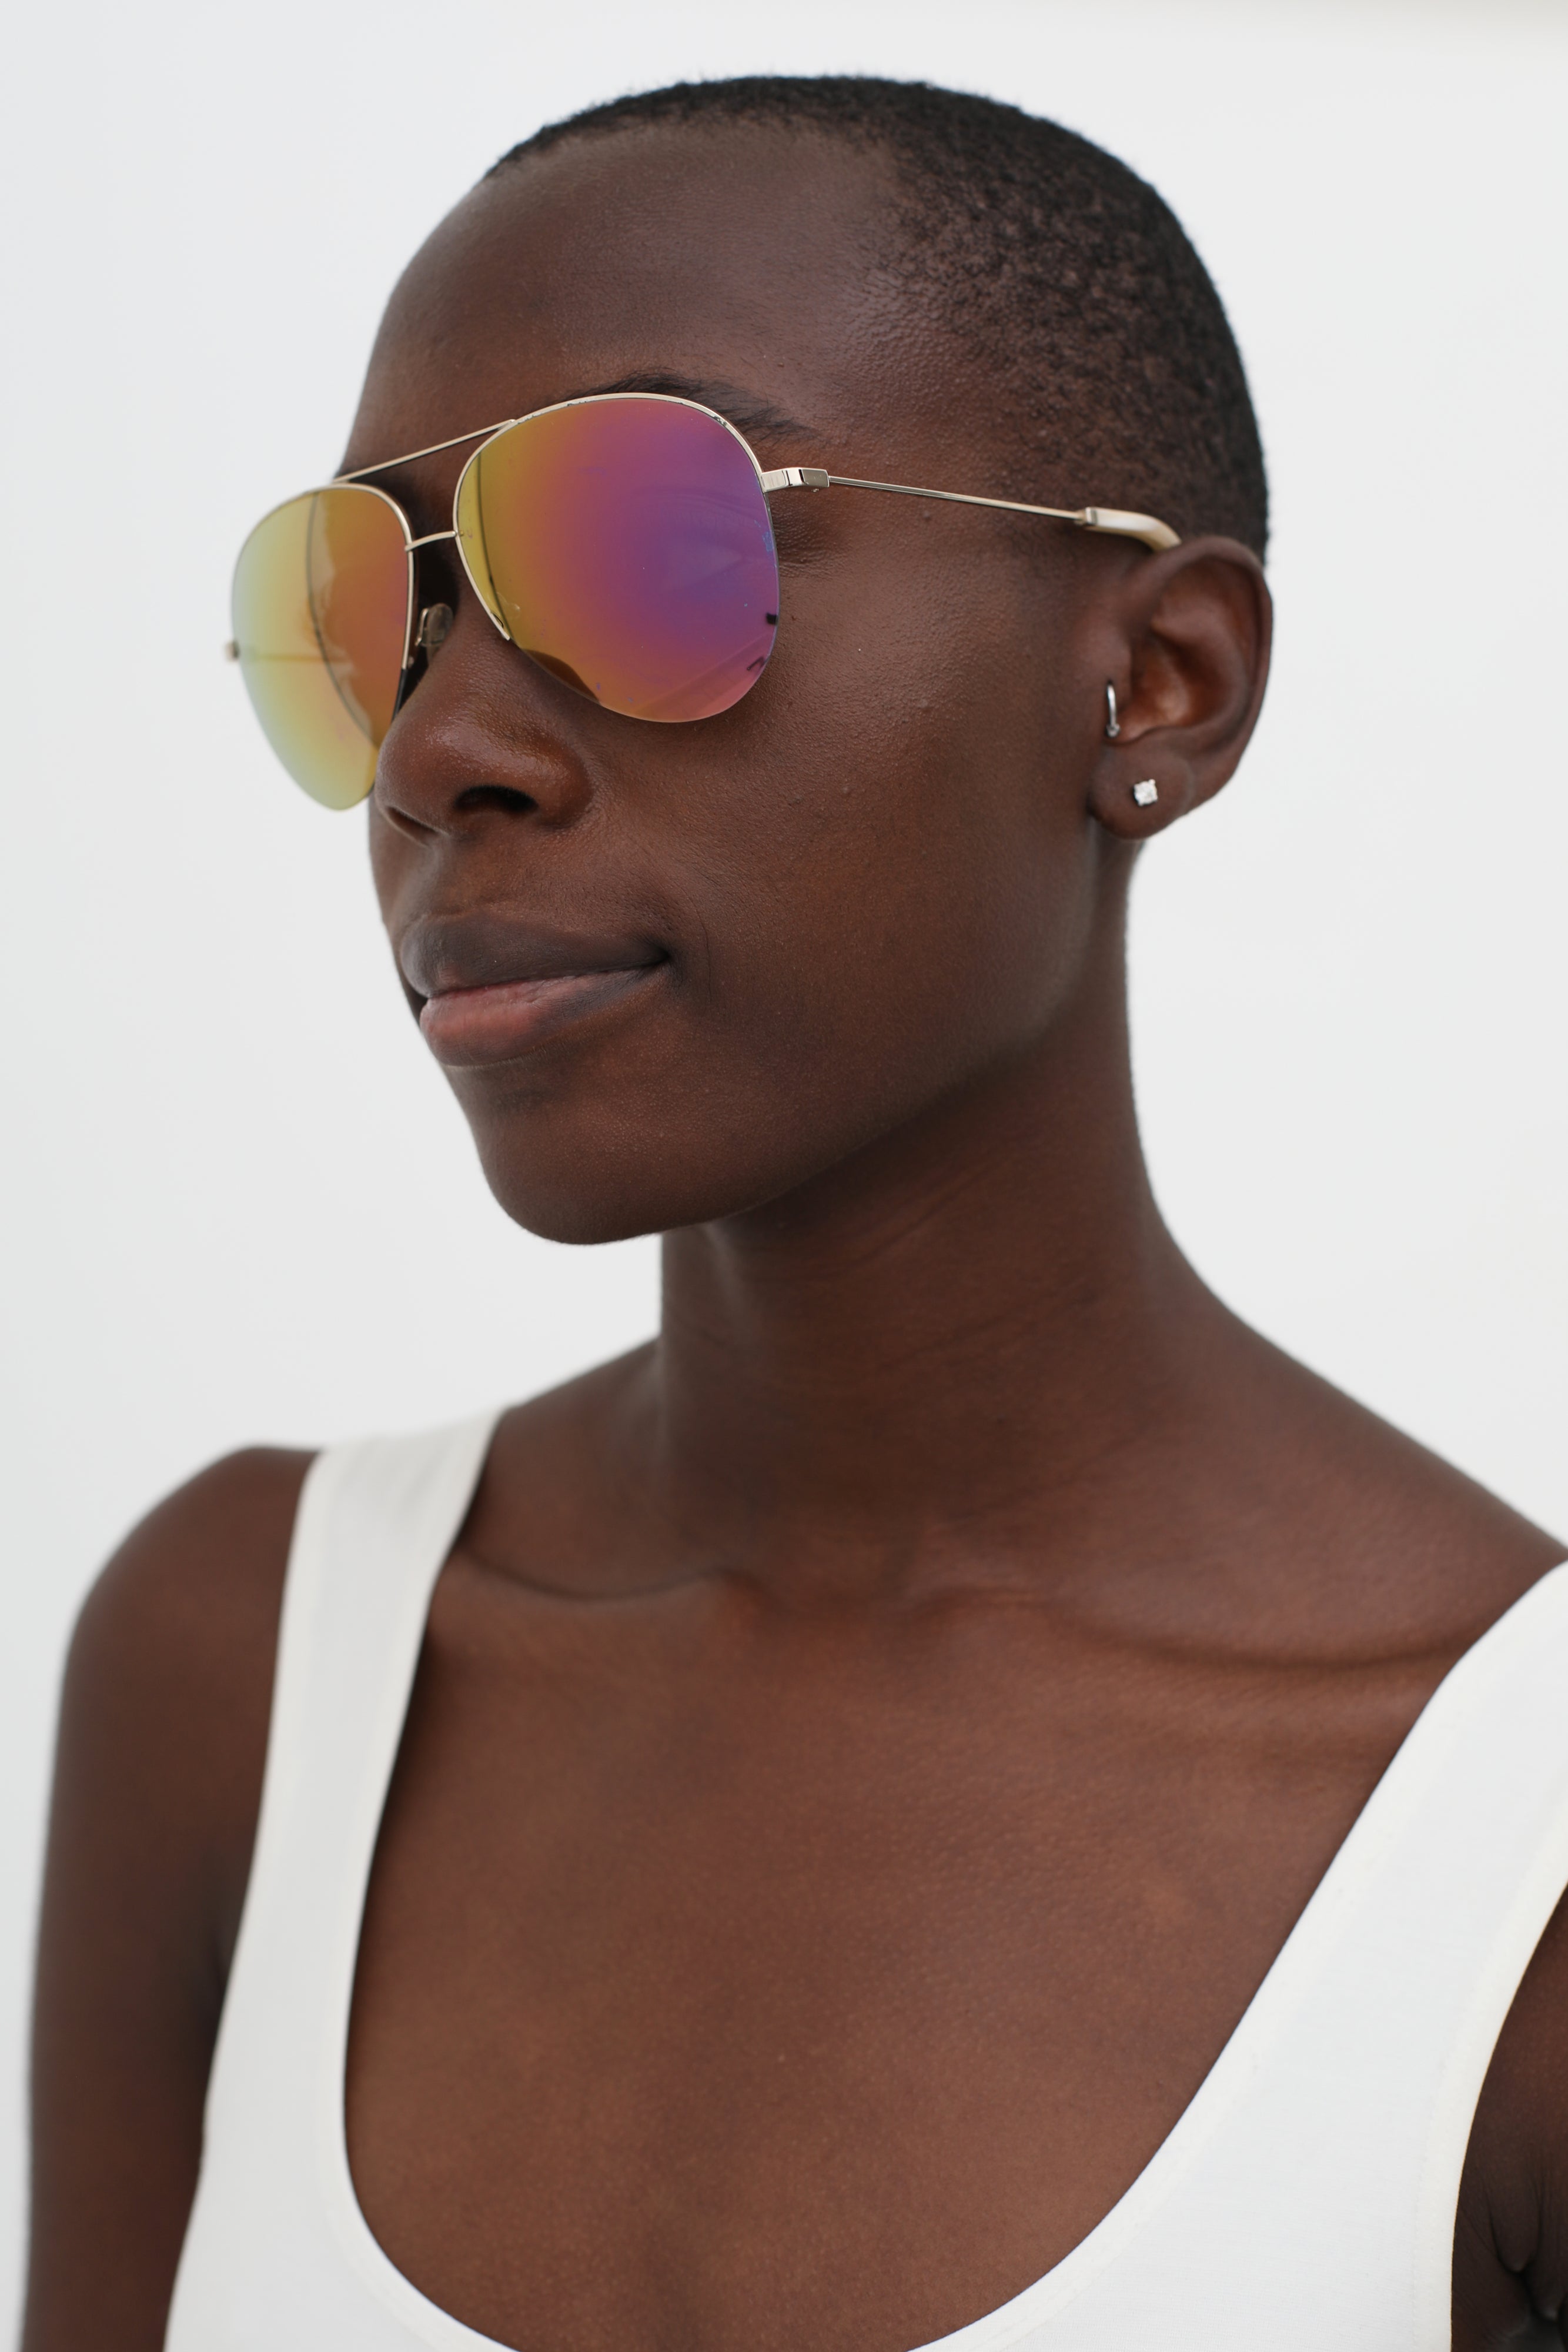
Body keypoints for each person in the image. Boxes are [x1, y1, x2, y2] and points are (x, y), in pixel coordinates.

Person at [21, 74, 1568, 2352]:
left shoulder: (1513, 1856)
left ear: (1159, 679)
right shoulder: (249, 1663)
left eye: (649, 549)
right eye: (368, 613)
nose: (440, 751)